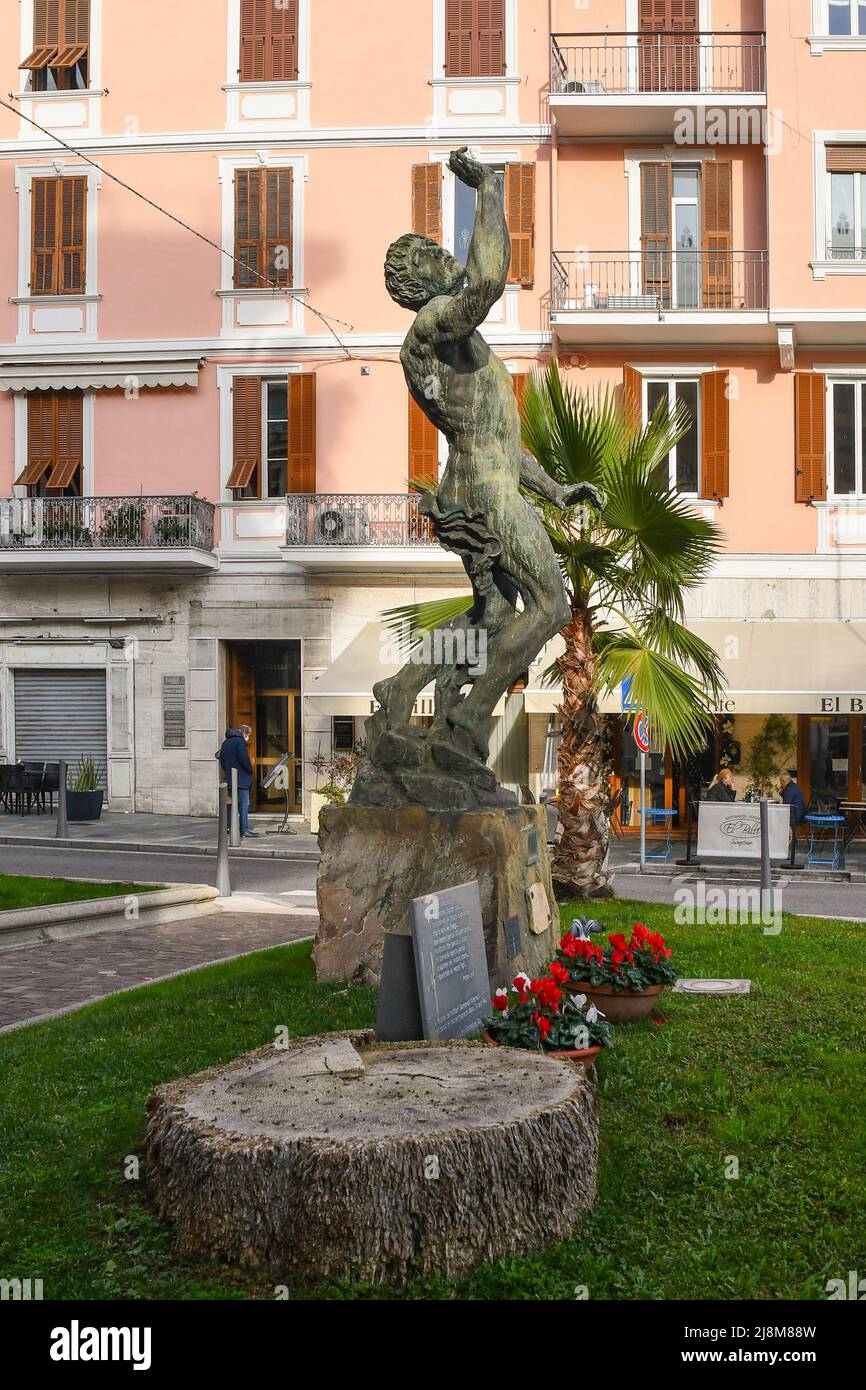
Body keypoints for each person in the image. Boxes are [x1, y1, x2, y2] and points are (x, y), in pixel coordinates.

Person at [218, 724, 257, 838]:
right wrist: (250, 771)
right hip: (242, 779)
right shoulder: (239, 742)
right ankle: (244, 829)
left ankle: (230, 827)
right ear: (244, 733)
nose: (248, 737)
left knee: (232, 803)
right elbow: (244, 759)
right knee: (244, 804)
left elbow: (222, 761)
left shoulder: (226, 742)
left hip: (231, 778)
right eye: (248, 735)